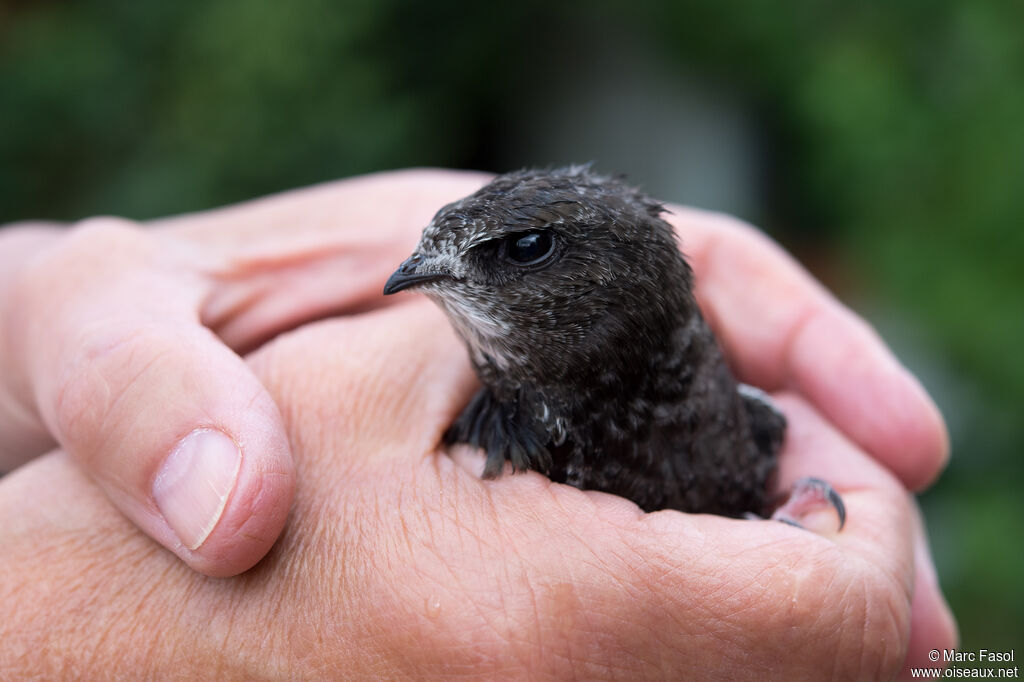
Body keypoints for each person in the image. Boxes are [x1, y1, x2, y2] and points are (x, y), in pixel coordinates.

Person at [0, 169, 957, 677]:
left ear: (614, 276)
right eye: (436, 252)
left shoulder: (729, 395)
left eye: (518, 252)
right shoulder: (496, 428)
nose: (422, 276)